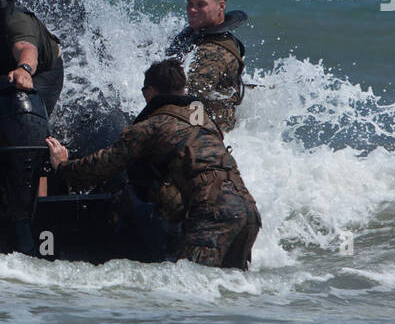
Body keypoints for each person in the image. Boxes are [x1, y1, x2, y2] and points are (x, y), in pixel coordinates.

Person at [46, 59, 261, 269]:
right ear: (183, 90)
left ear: (149, 91)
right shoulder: (205, 121)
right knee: (231, 291)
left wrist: (63, 166)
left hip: (212, 213)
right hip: (248, 210)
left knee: (192, 294)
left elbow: (104, 165)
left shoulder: (151, 127)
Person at [166, 0, 248, 131]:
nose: (192, 9)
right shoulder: (197, 36)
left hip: (207, 134)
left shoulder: (214, 53)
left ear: (221, 6)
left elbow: (184, 96)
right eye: (190, 3)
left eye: (200, 5)